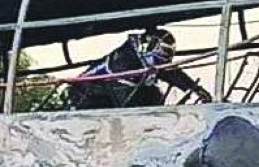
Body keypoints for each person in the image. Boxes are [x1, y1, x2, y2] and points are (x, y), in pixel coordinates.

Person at [66, 29, 212, 109]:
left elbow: (172, 72)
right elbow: (127, 102)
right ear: (147, 47)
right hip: (87, 93)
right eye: (161, 53)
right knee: (146, 98)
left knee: (152, 93)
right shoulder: (125, 60)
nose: (163, 58)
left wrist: (196, 90)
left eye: (167, 54)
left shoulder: (148, 60)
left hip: (117, 90)